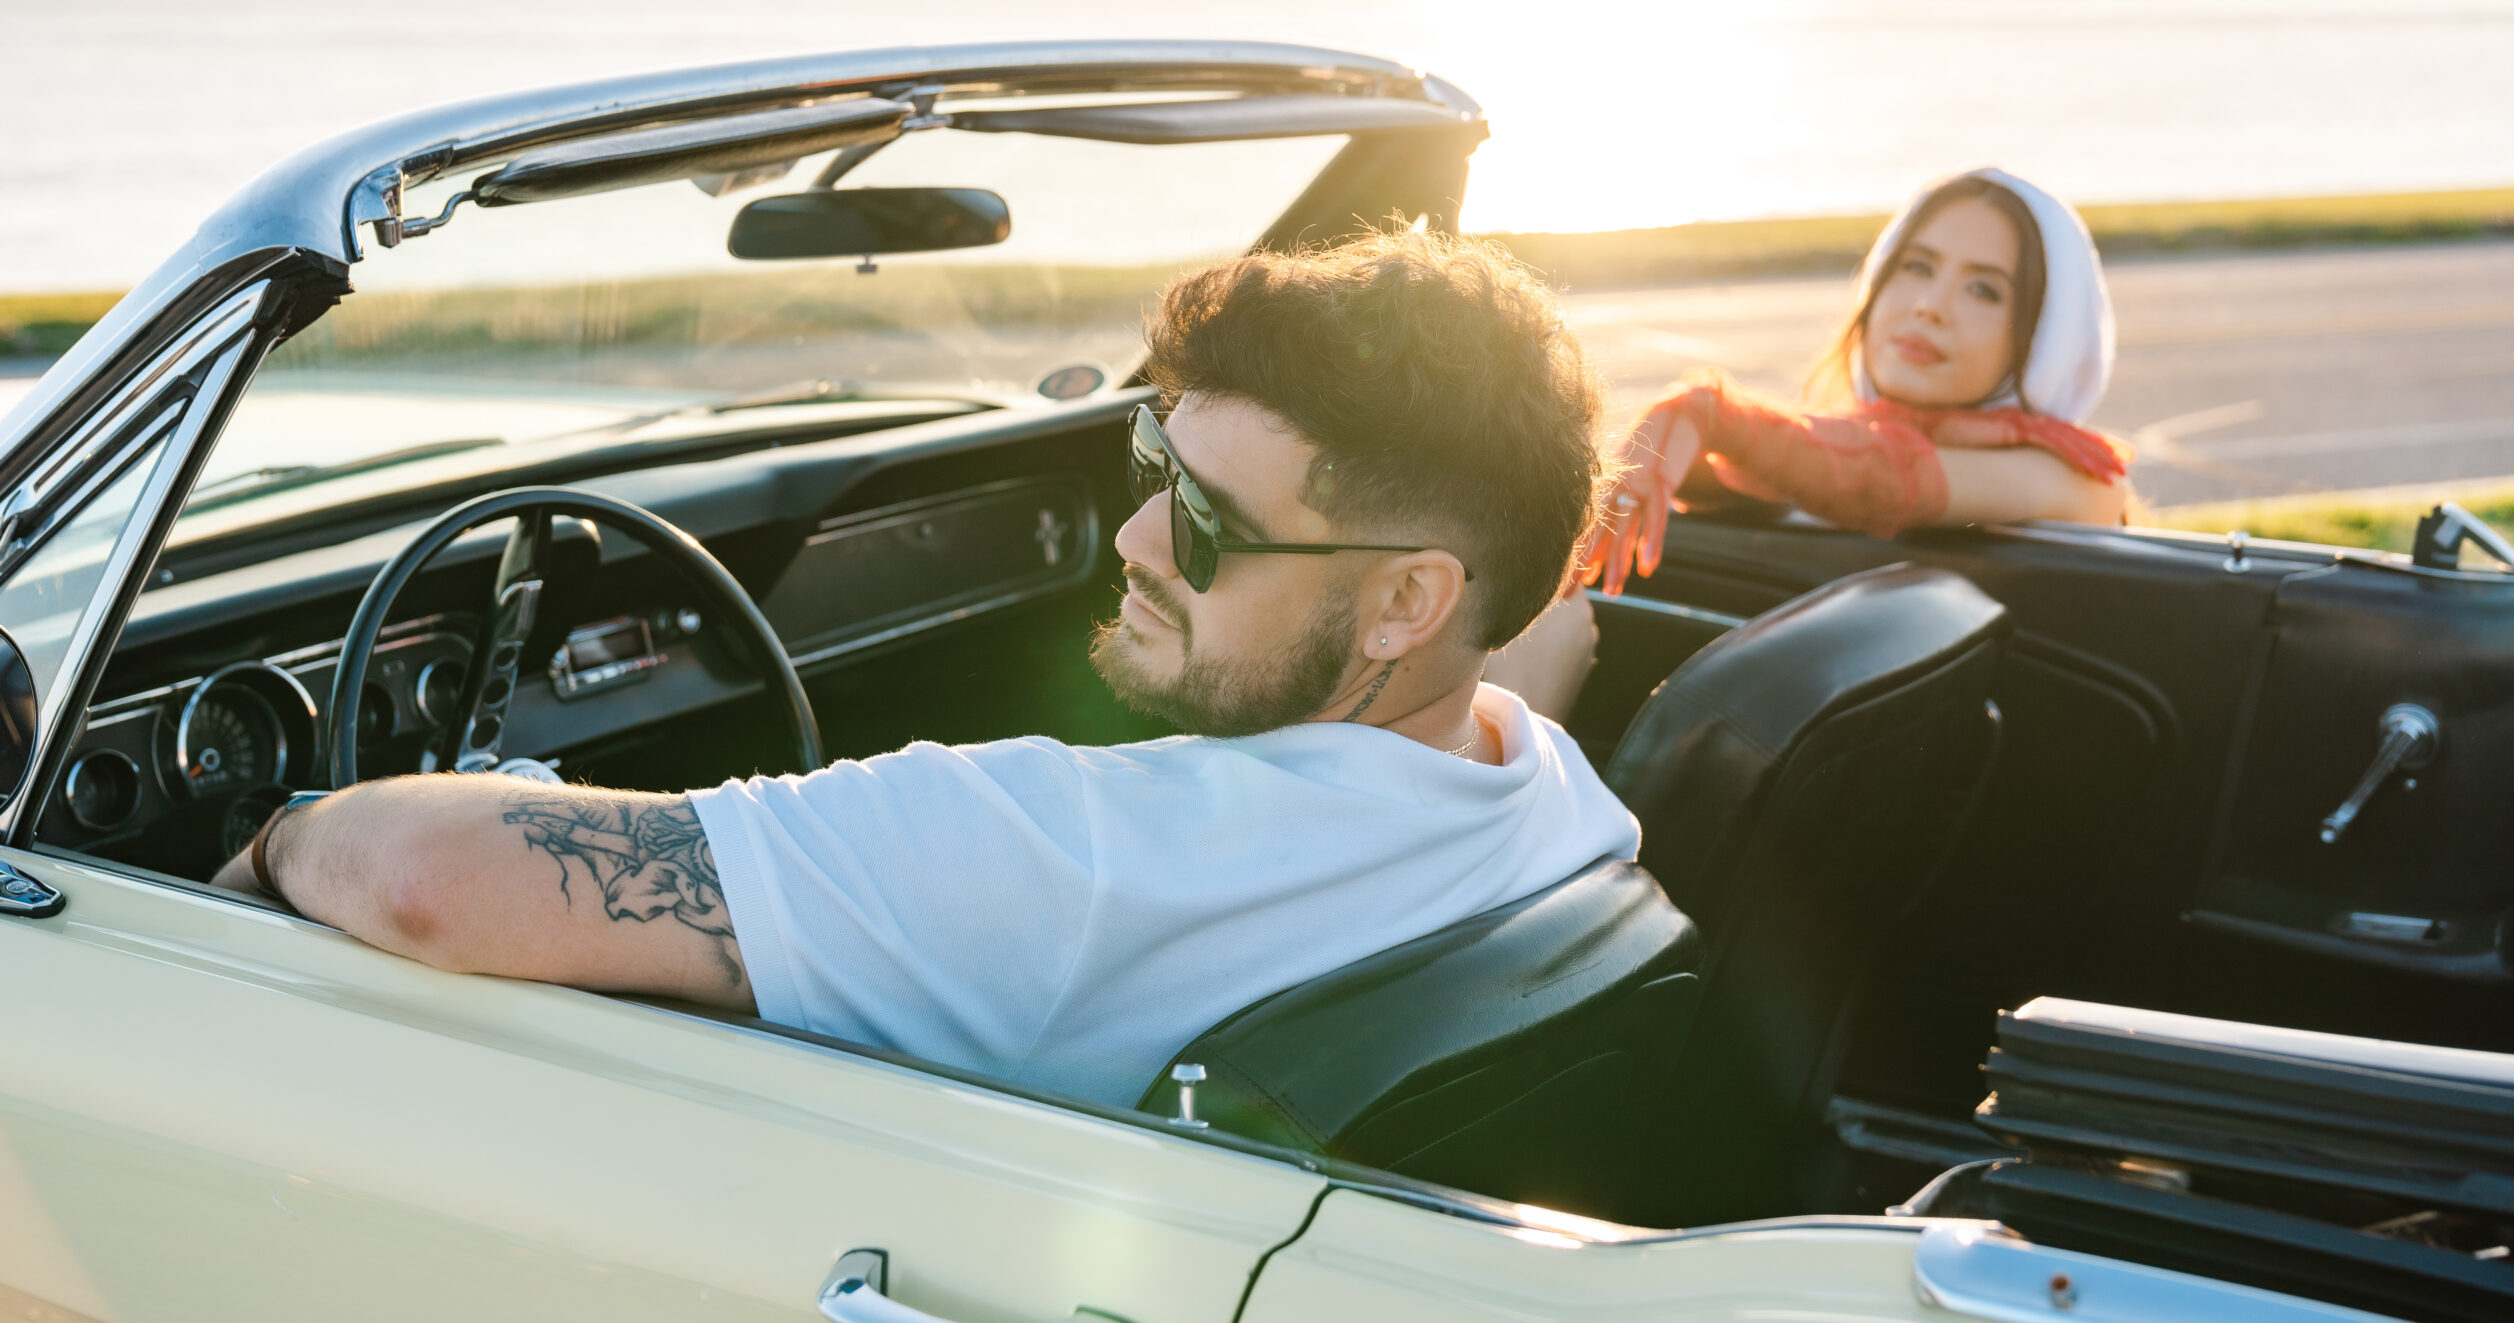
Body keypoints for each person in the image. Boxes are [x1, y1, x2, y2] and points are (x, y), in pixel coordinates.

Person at [213, 229, 1638, 1109]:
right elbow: (1546, 636)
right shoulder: (1536, 778)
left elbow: (428, 881)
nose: (1136, 535)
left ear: (1406, 596)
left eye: (1208, 520)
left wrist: (282, 828)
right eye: (1156, 457)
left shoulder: (1060, 856)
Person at [1582, 166, 2130, 595]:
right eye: (1916, 267)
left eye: (1984, 290)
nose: (1928, 306)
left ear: (2046, 335)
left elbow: (1881, 478)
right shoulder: (1843, 434)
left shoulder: (2078, 477)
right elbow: (1764, 475)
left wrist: (1711, 414)